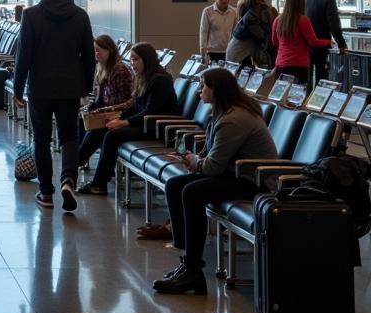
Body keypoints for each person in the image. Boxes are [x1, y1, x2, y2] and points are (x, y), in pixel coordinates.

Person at [152, 68, 277, 296]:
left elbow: (212, 167)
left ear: (216, 90)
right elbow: (211, 155)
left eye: (203, 85)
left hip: (253, 180)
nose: (199, 89)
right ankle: (186, 258)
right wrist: (194, 159)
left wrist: (195, 162)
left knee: (191, 192)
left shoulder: (233, 119)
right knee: (175, 185)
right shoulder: (222, 112)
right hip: (234, 174)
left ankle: (193, 272)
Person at [12, 0, 95, 211]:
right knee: (70, 137)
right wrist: (86, 87)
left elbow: (23, 56)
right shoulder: (80, 15)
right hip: (70, 88)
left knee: (41, 139)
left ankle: (46, 193)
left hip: (40, 88)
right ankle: (68, 179)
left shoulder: (31, 15)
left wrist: (18, 88)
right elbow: (89, 56)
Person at [79, 42, 179, 195]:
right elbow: (135, 107)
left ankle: (98, 183)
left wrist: (124, 122)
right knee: (104, 127)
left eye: (136, 59)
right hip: (144, 124)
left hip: (157, 127)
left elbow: (150, 112)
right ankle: (76, 165)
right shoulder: (144, 77)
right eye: (131, 60)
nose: (132, 63)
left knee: (112, 136)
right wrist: (117, 118)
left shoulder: (160, 80)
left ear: (147, 59)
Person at [77, 34, 134, 173]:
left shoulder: (119, 70)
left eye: (99, 50)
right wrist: (89, 109)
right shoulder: (103, 69)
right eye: (94, 50)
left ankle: (77, 160)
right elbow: (101, 99)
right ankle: (78, 158)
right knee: (81, 118)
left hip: (119, 115)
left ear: (110, 50)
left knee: (96, 130)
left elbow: (125, 101)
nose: (96, 53)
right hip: (109, 112)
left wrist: (101, 112)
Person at [272, 0, 330, 86]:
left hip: (281, 64)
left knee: (282, 96)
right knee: (297, 97)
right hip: (299, 65)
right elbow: (313, 42)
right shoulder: (303, 20)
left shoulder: (278, 20)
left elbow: (274, 41)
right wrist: (329, 42)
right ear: (302, 2)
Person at [306, 0, 347, 83]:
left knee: (307, 77)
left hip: (306, 44)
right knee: (322, 76)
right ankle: (318, 100)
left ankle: (305, 99)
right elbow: (333, 23)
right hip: (322, 43)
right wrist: (341, 44)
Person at [225, 0, 275, 68]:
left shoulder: (248, 14)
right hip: (238, 55)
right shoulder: (251, 16)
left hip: (236, 51)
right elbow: (262, 36)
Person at [199, 0, 237, 64]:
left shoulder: (234, 12)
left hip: (229, 51)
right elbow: (204, 32)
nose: (223, 1)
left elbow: (235, 33)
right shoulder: (207, 11)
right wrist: (203, 52)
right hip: (213, 52)